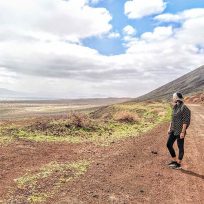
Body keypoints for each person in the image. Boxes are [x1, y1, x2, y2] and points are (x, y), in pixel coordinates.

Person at [166, 92, 191, 169]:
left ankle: (178, 164)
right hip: (173, 130)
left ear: (176, 98)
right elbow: (172, 118)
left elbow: (185, 121)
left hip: (180, 131)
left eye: (173, 97)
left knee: (180, 147)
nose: (172, 98)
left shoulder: (184, 108)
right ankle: (174, 161)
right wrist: (169, 128)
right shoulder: (175, 107)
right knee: (168, 144)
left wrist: (183, 132)